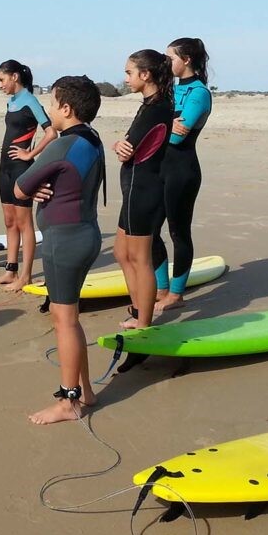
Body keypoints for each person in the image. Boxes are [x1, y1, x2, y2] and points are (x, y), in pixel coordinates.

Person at [14, 76, 105, 425]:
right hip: (85, 234)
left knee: (63, 321)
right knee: (72, 318)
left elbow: (20, 188)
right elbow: (65, 179)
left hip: (65, 241)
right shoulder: (90, 138)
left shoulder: (62, 145)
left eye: (52, 103)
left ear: (66, 109)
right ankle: (86, 391)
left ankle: (69, 402)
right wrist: (43, 188)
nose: (49, 109)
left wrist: (35, 189)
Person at [112, 50, 175, 330]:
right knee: (121, 253)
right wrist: (119, 145)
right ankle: (138, 309)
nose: (126, 77)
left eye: (129, 72)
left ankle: (144, 320)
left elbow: (129, 149)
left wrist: (121, 147)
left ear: (145, 74)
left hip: (145, 189)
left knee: (140, 258)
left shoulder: (158, 107)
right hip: (134, 188)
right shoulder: (149, 104)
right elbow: (126, 144)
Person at [155, 38, 213, 313]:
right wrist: (167, 124)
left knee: (178, 232)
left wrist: (163, 126)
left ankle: (176, 294)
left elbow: (178, 137)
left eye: (171, 58)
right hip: (159, 169)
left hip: (182, 171)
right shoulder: (169, 90)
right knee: (151, 230)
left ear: (186, 59)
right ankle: (161, 287)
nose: (167, 63)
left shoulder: (199, 93)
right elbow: (160, 127)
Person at [0, 59, 56, 292]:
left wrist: (30, 154)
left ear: (14, 77)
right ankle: (11, 270)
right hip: (4, 167)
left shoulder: (31, 101)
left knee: (23, 222)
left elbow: (51, 132)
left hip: (20, 169)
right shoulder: (12, 102)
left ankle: (25, 275)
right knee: (9, 221)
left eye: (1, 79)